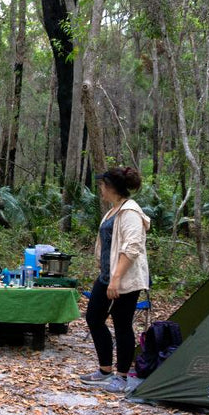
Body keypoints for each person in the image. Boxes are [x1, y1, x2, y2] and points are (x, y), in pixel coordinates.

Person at [80, 166, 151, 394]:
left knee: (122, 324)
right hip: (107, 276)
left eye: (102, 185)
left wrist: (116, 279)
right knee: (94, 317)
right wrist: (105, 274)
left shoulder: (130, 212)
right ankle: (104, 369)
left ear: (111, 187)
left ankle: (121, 376)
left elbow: (132, 248)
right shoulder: (113, 211)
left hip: (124, 279)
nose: (100, 189)